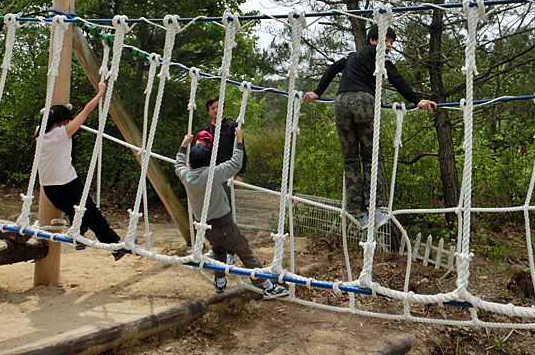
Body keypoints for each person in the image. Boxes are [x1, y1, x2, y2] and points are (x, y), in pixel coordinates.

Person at [303, 25, 437, 230]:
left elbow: (332, 69)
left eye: (392, 43)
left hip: (341, 104)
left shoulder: (350, 57)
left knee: (350, 160)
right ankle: (375, 208)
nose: (389, 47)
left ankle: (361, 214)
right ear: (373, 41)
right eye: (387, 41)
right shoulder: (379, 54)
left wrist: (317, 92)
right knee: (370, 157)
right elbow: (395, 77)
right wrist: (416, 100)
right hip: (364, 102)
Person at [174, 127, 289, 299]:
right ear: (210, 160)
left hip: (205, 228)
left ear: (191, 162)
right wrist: (239, 140)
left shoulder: (186, 176)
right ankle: (267, 286)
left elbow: (178, 164)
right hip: (224, 225)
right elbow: (236, 163)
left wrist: (183, 146)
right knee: (245, 253)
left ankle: (220, 283)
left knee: (218, 250)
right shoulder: (212, 173)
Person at [36, 83, 128, 261]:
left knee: (75, 211)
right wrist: (101, 92)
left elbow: (46, 119)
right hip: (67, 184)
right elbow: (85, 112)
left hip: (48, 188)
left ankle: (78, 237)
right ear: (64, 122)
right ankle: (114, 245)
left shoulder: (39, 132)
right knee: (91, 212)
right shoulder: (63, 133)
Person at [199, 96, 246, 265]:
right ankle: (216, 247)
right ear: (208, 110)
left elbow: (241, 150)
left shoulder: (232, 126)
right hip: (209, 176)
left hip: (226, 174)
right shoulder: (205, 129)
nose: (216, 111)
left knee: (227, 213)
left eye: (219, 107)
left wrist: (239, 173)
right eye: (213, 108)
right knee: (211, 212)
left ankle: (231, 251)